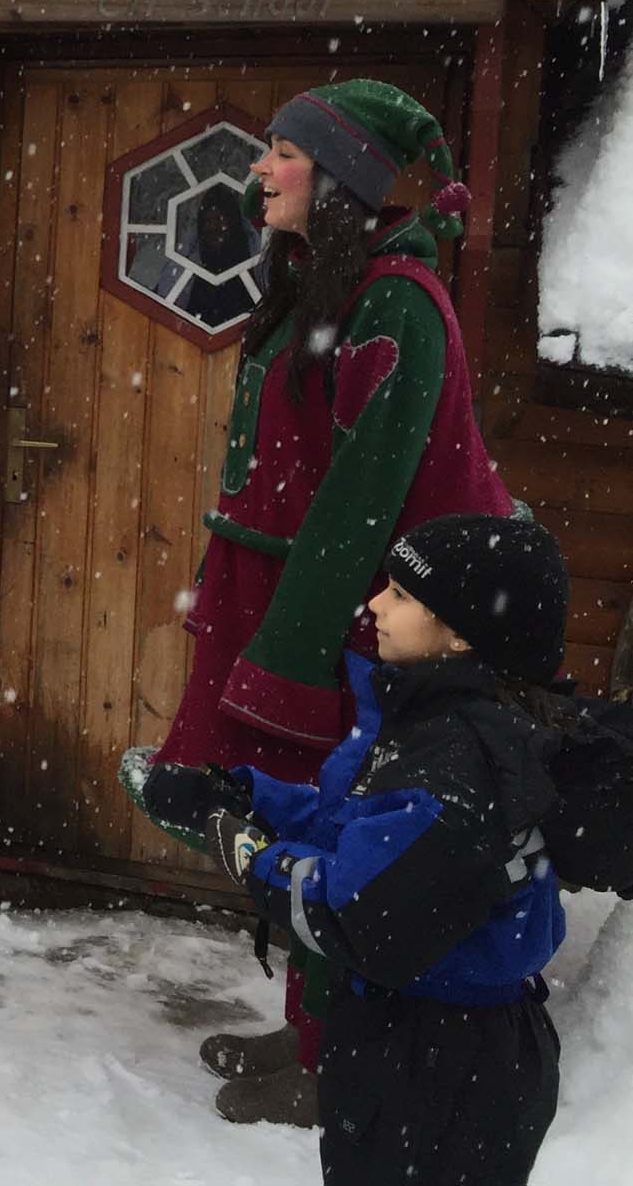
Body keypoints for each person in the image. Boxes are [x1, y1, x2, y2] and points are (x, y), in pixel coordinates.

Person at [125, 78, 517, 1126]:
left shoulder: (393, 302)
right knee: (296, 803)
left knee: (340, 817)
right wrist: (225, 593)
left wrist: (287, 656)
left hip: (373, 612)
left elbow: (356, 503)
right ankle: (313, 1026)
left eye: (282, 152)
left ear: (339, 174)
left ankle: (339, 1051)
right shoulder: (324, 286)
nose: (259, 168)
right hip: (303, 592)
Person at [146, 513, 570, 1186]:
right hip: (433, 1036)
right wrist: (242, 792)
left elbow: (354, 907)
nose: (374, 603)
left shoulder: (455, 764)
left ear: (460, 635)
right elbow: (362, 825)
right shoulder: (442, 725)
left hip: (435, 1058)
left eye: (402, 594)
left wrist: (246, 849)